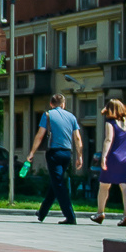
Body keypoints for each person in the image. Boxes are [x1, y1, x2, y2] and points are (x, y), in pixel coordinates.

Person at [25, 93, 81, 224]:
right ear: (63, 104)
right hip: (67, 153)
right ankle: (42, 212)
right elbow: (77, 138)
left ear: (51, 104)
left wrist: (32, 152)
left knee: (59, 184)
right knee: (56, 182)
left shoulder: (48, 115)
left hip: (54, 153)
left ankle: (70, 216)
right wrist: (80, 156)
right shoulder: (71, 117)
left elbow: (40, 135)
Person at [92, 98, 126, 225]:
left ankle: (100, 213)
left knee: (104, 185)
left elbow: (108, 140)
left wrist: (104, 157)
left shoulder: (110, 123)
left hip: (114, 156)